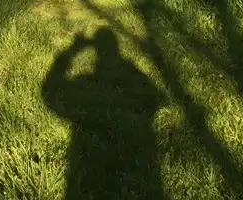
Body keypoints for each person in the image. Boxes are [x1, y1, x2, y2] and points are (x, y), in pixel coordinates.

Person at [42, 28, 165, 199]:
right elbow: (153, 98)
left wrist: (72, 51)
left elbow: (51, 95)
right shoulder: (132, 74)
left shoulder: (85, 82)